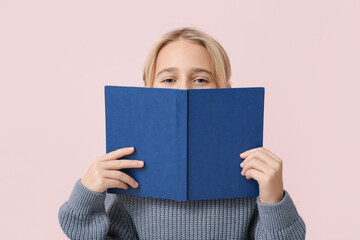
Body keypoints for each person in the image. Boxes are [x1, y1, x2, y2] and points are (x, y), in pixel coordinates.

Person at [58, 27, 306, 239]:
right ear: (148, 88)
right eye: (168, 79)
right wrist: (87, 193)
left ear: (224, 91)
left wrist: (274, 198)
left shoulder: (250, 171)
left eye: (200, 79)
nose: (184, 90)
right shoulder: (128, 167)